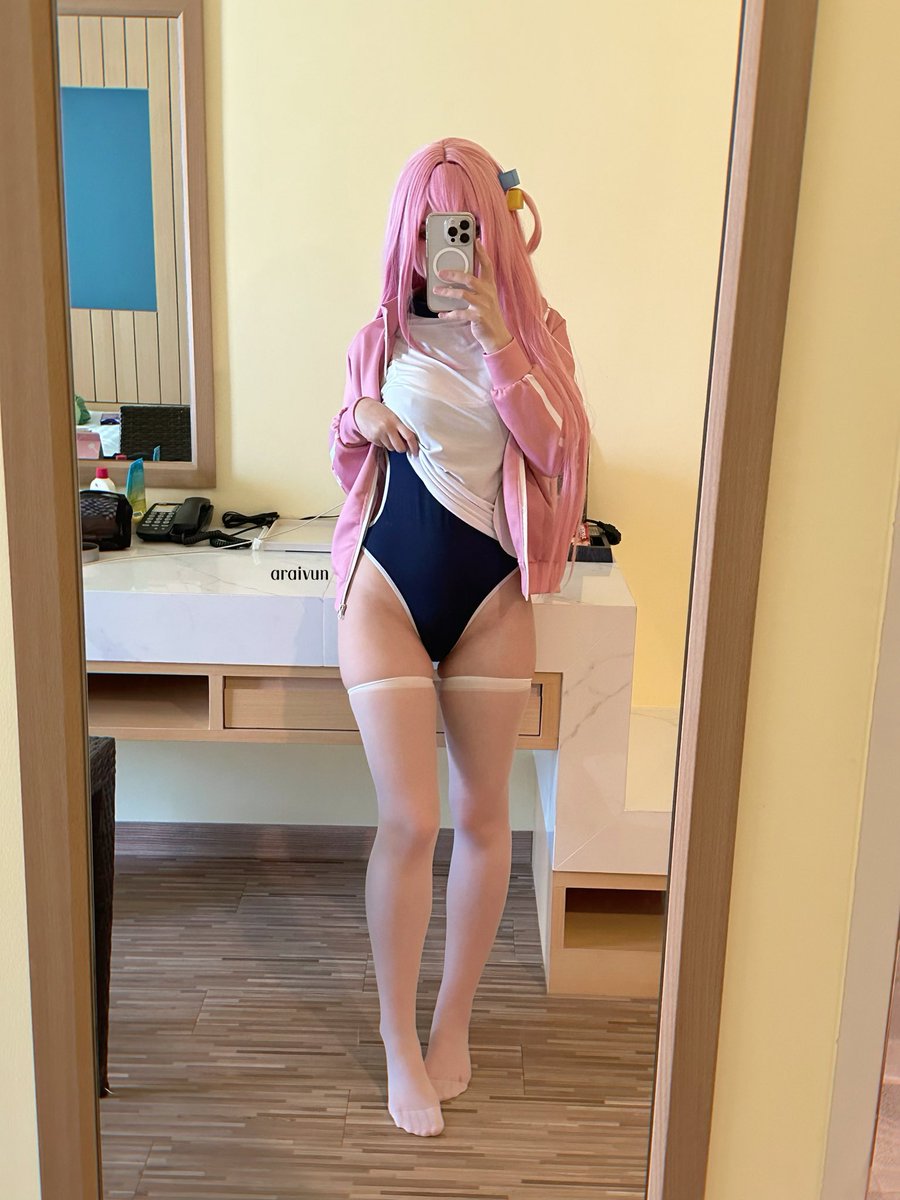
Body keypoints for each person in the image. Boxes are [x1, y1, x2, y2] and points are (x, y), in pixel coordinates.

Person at [328, 137, 590, 1136]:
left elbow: (559, 450)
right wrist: (359, 414)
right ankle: (397, 1037)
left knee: (486, 816)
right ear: (411, 229)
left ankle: (452, 1024)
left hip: (492, 598)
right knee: (411, 819)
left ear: (491, 229)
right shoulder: (379, 333)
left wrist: (501, 343)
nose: (449, 246)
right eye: (434, 226)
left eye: (466, 225)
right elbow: (343, 446)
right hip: (386, 589)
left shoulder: (537, 332)